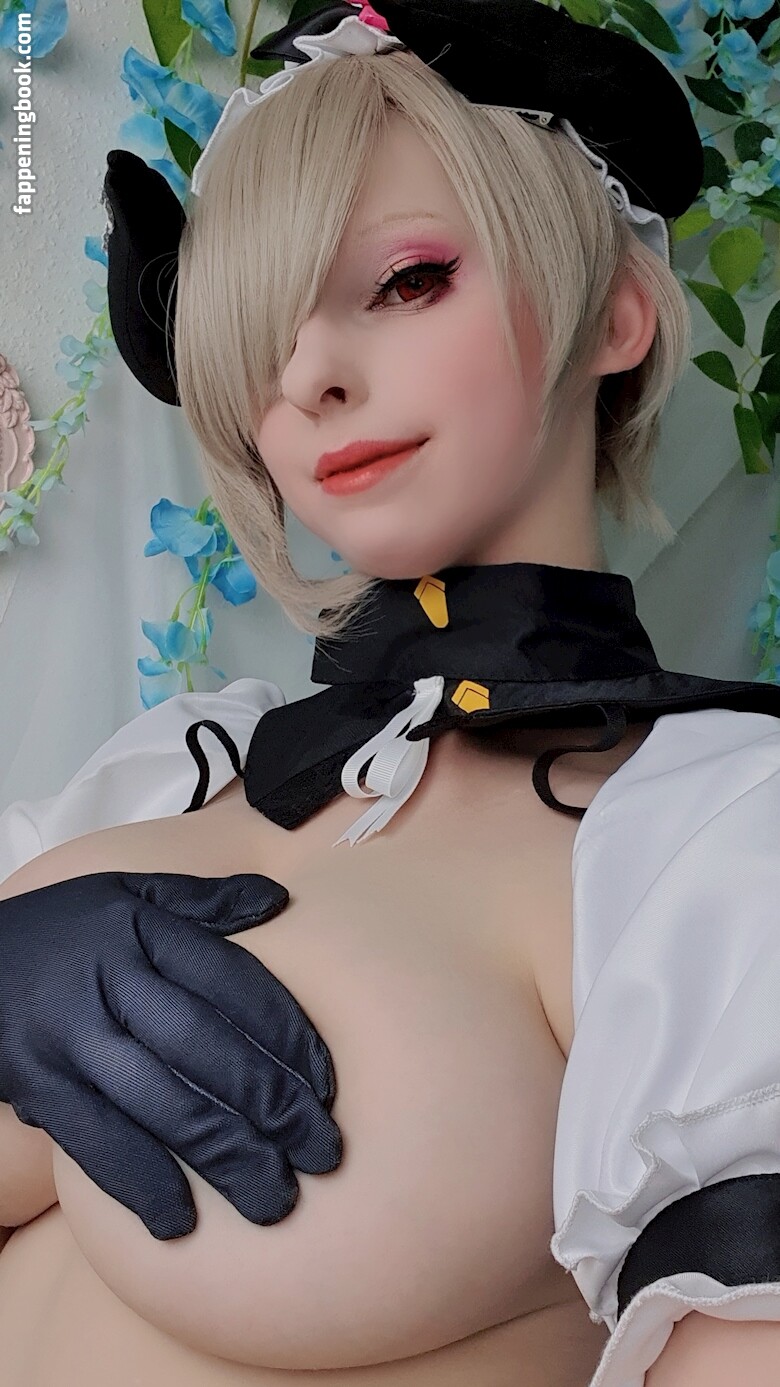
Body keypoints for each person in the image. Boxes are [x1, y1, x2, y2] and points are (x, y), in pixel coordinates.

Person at [2, 3, 780, 1384]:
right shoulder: (175, 762)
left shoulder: (711, 839)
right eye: (257, 336)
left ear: (617, 312)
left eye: (407, 282)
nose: (310, 376)